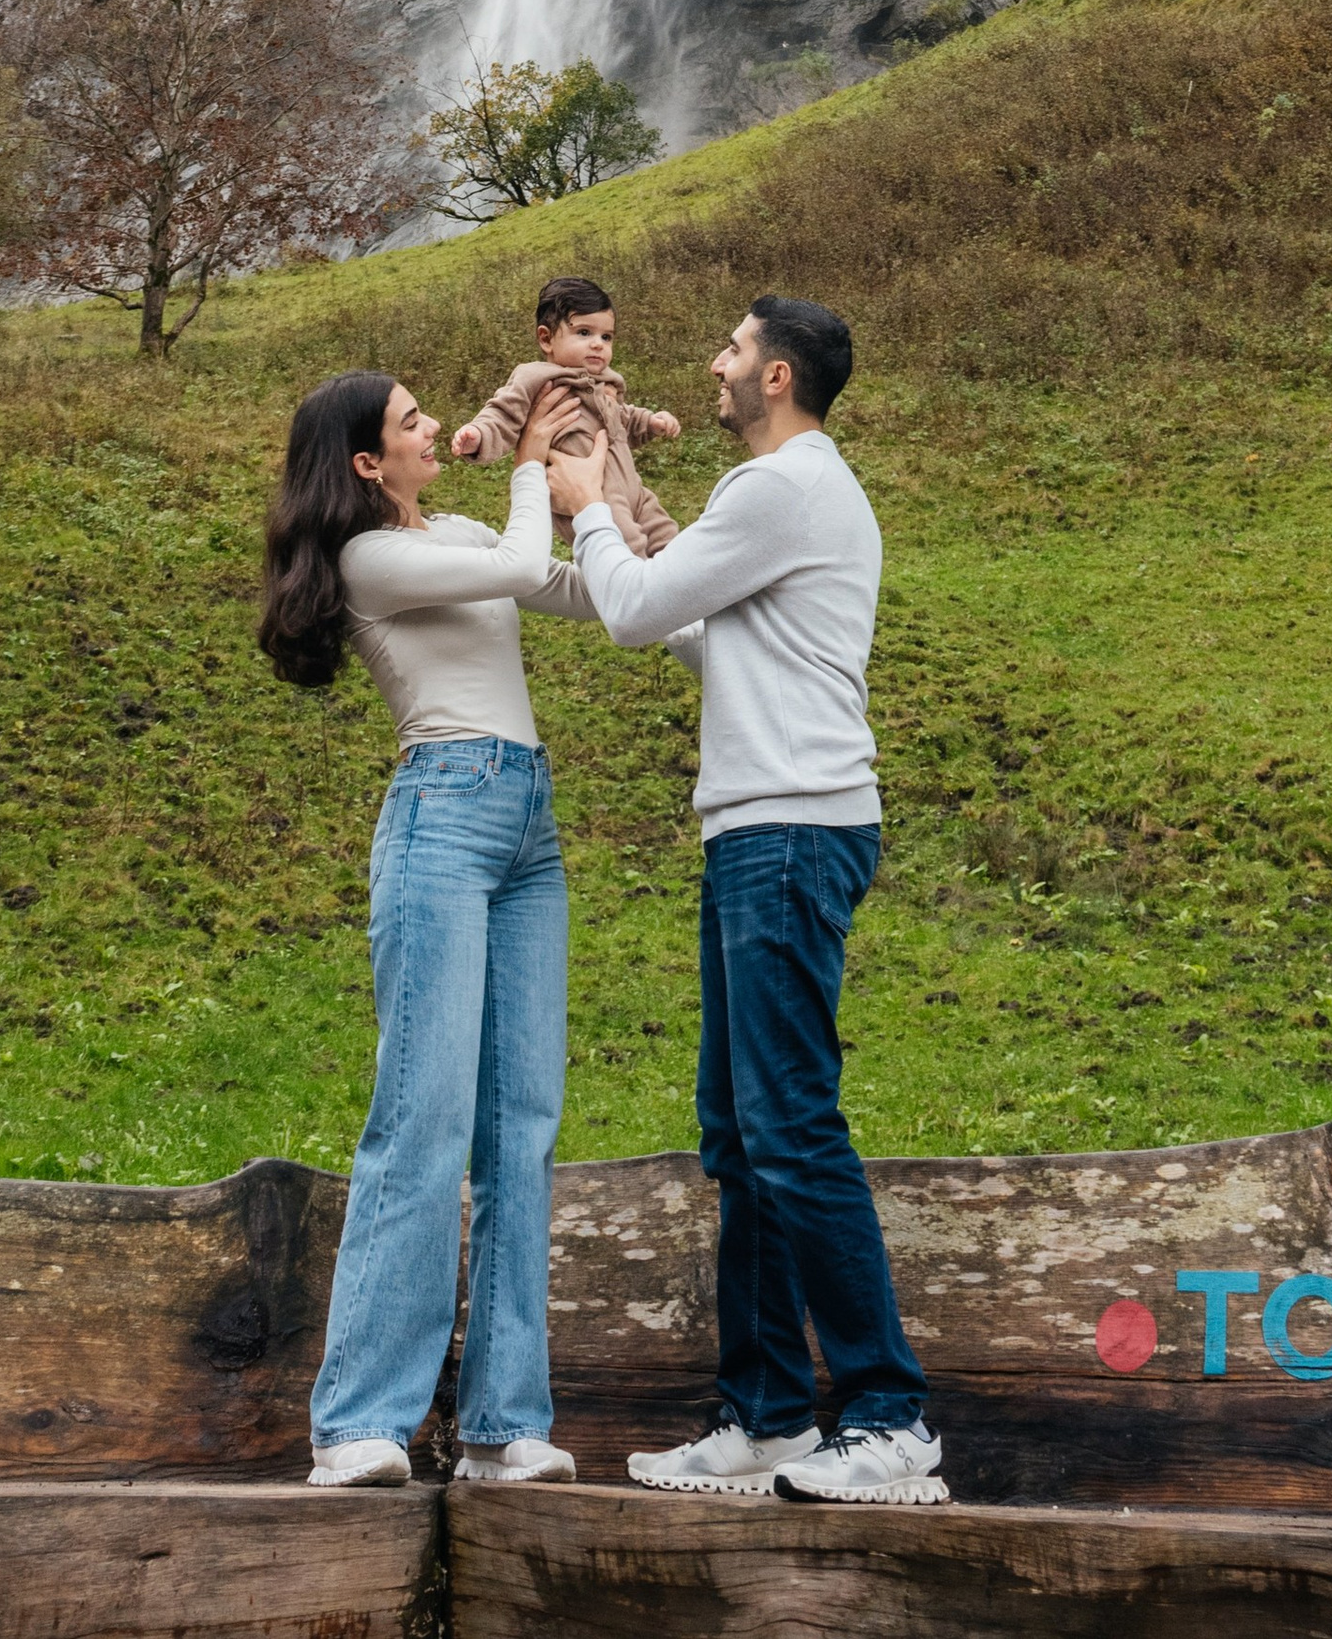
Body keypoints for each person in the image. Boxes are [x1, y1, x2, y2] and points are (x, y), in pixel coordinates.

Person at [542, 292, 946, 1510]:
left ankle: (888, 1417)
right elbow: (700, 633)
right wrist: (542, 560)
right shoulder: (793, 500)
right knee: (742, 1132)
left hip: (788, 826)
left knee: (790, 1124)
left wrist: (589, 510)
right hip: (761, 827)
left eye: (730, 349)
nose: (712, 365)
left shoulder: (781, 487)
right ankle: (767, 1415)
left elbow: (631, 604)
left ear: (775, 377)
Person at [257, 369, 595, 1491]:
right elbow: (512, 558)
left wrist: (667, 561)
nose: (427, 429)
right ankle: (357, 1420)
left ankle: (502, 1422)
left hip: (526, 827)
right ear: (366, 462)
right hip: (441, 818)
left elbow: (562, 584)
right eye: (408, 423)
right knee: (423, 1116)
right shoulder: (370, 556)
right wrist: (530, 469)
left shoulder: (451, 529)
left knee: (521, 1125)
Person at [451, 272, 682, 555]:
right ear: (546, 339)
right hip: (587, 494)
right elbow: (502, 413)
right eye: (584, 333)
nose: (598, 343)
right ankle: (632, 584)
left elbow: (621, 418)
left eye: (606, 336)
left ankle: (679, 577)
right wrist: (478, 434)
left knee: (668, 538)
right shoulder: (536, 378)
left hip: (633, 488)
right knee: (625, 546)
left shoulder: (605, 383)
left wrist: (650, 422)